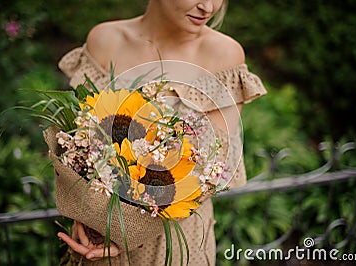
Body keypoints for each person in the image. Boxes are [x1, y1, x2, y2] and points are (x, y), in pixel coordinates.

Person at [56, 0, 266, 265]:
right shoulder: (105, 40)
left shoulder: (222, 54)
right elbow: (80, 140)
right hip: (96, 241)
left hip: (174, 244)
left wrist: (125, 235)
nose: (208, 6)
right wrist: (85, 218)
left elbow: (207, 171)